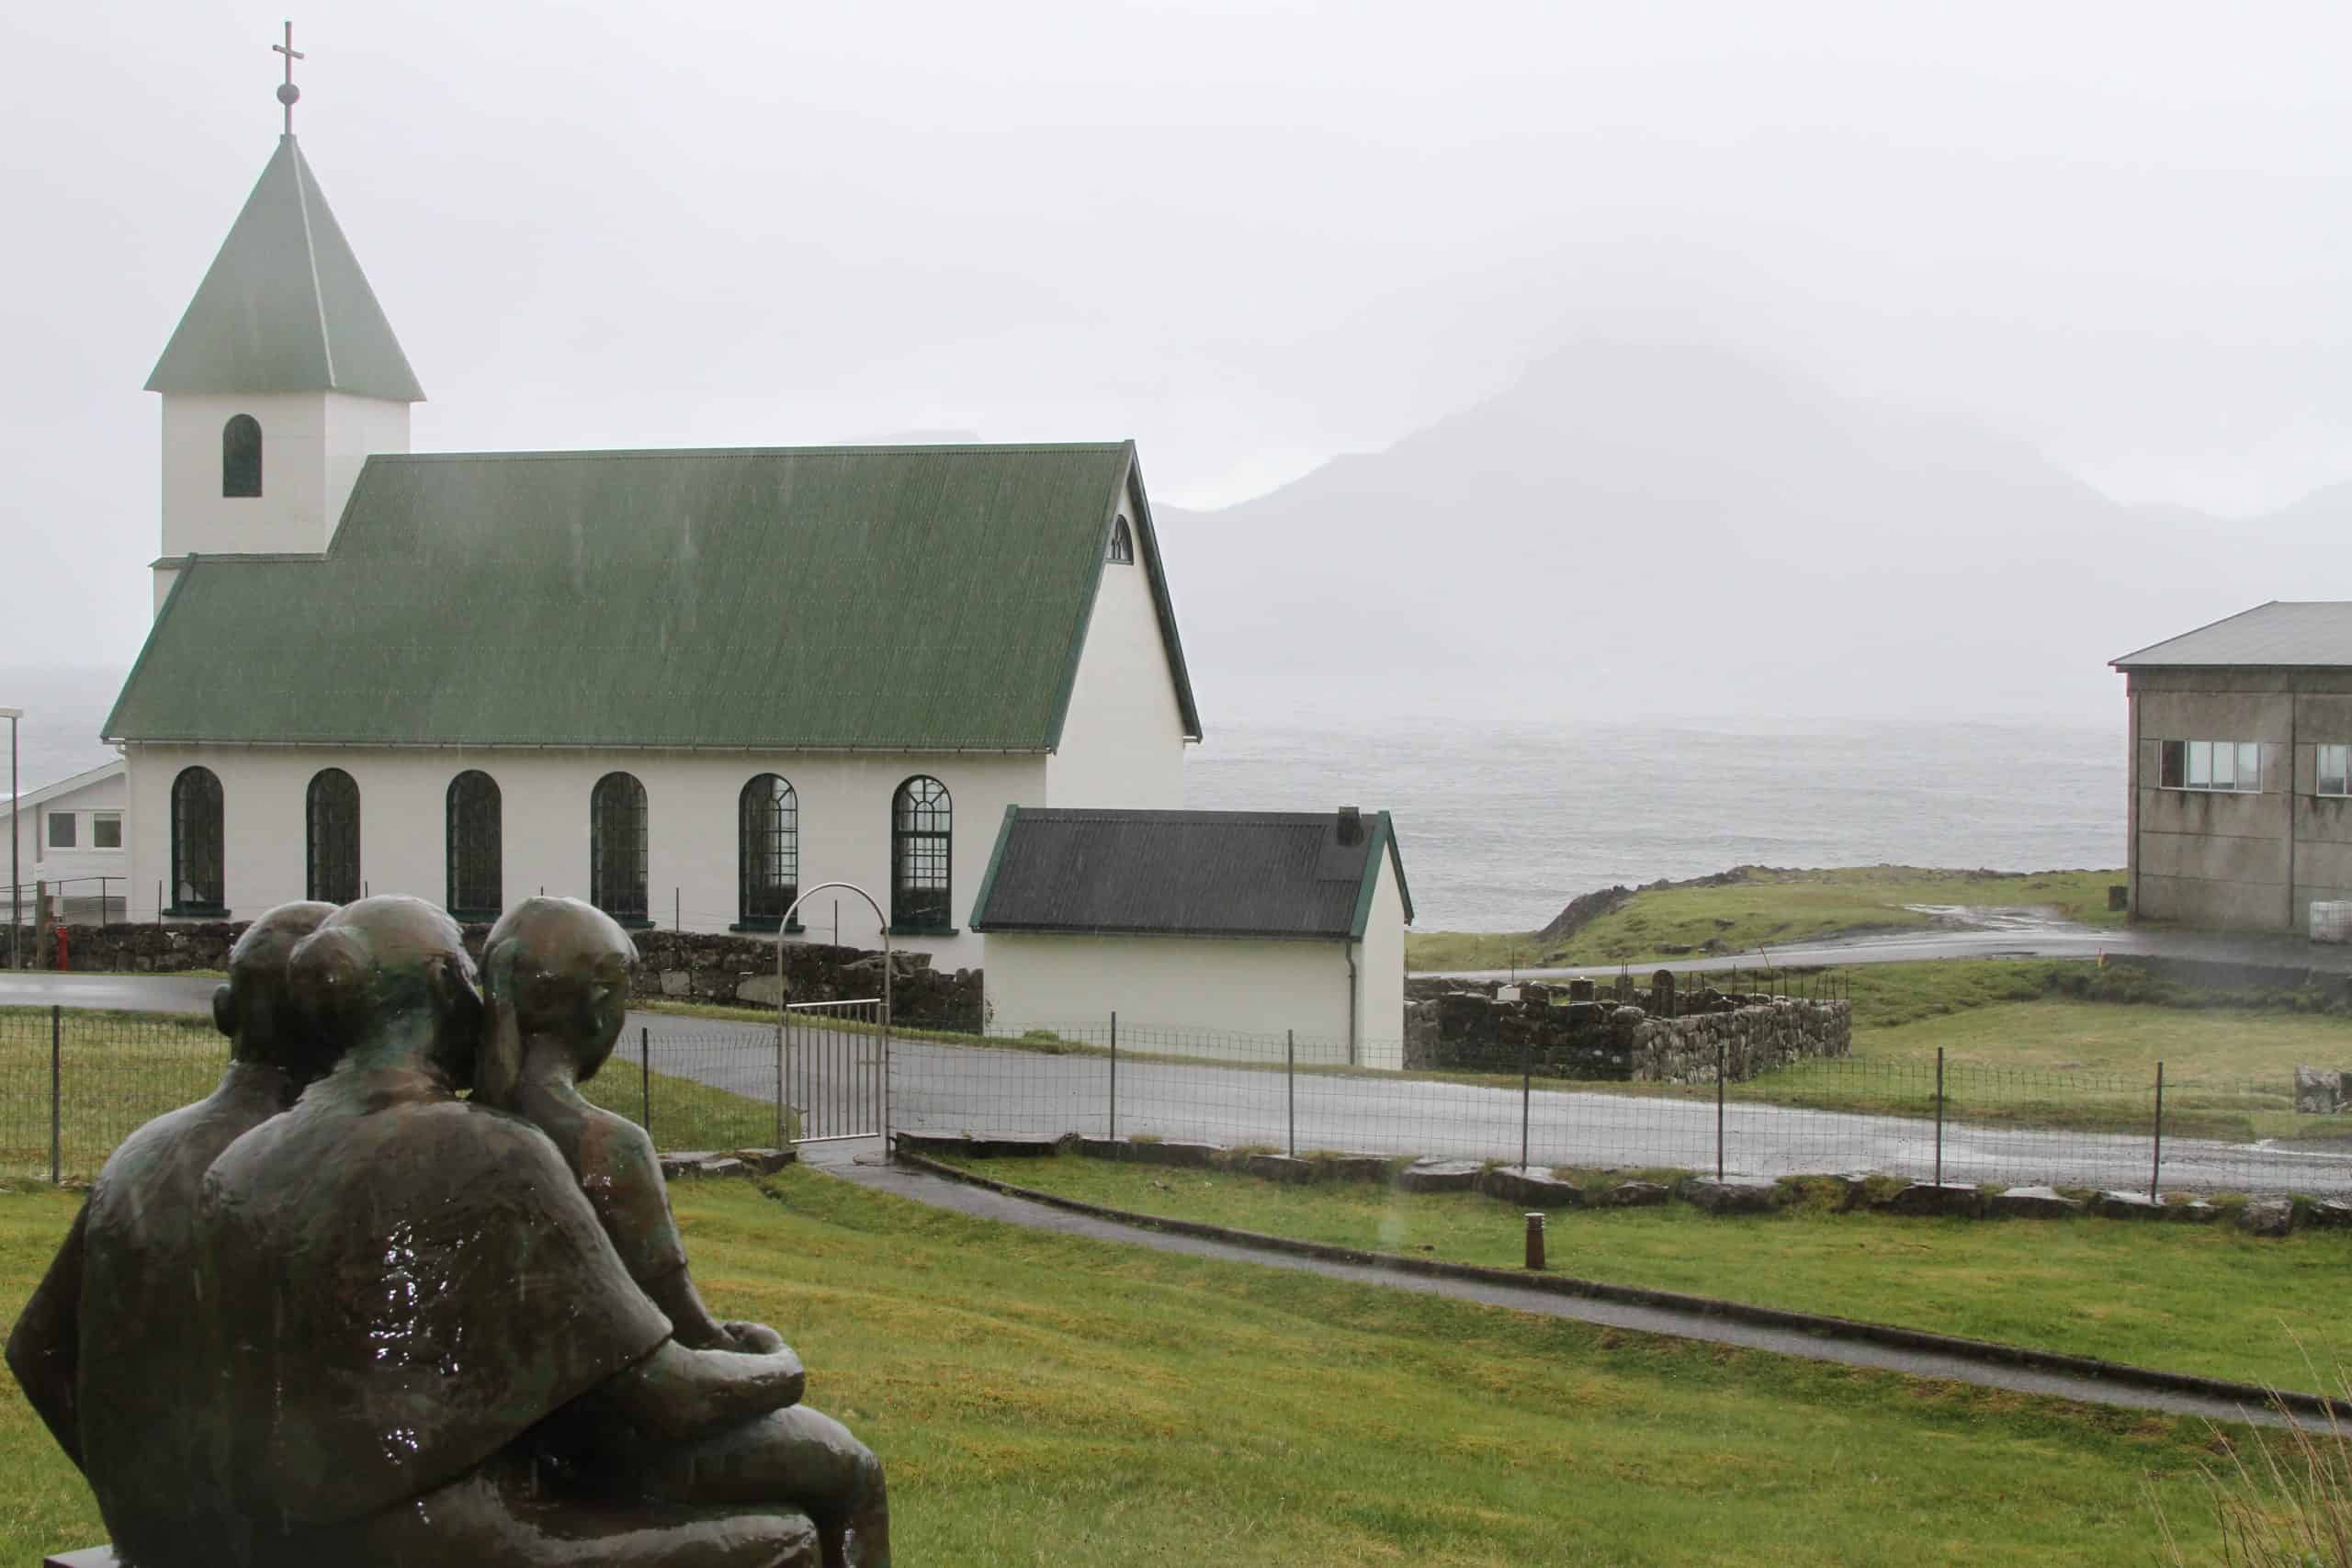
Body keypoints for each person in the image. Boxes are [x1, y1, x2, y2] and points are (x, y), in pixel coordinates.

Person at [194, 896, 820, 1568]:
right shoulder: (492, 1152)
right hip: (415, 1537)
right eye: (467, 973)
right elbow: (669, 1397)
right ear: (443, 986)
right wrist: (781, 1363)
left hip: (266, 1536)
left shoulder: (240, 1161)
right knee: (790, 1540)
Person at [479, 897, 889, 1568]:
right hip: (615, 1436)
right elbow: (688, 1332)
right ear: (596, 1007)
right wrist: (764, 1353)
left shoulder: (470, 1126)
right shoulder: (608, 1147)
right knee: (854, 1472)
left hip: (527, 1432)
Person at [5, 900, 336, 1564]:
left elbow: (37, 1348)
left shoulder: (143, 1151)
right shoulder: (334, 1162)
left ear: (224, 1012)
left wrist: (140, 1491)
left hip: (161, 1525)